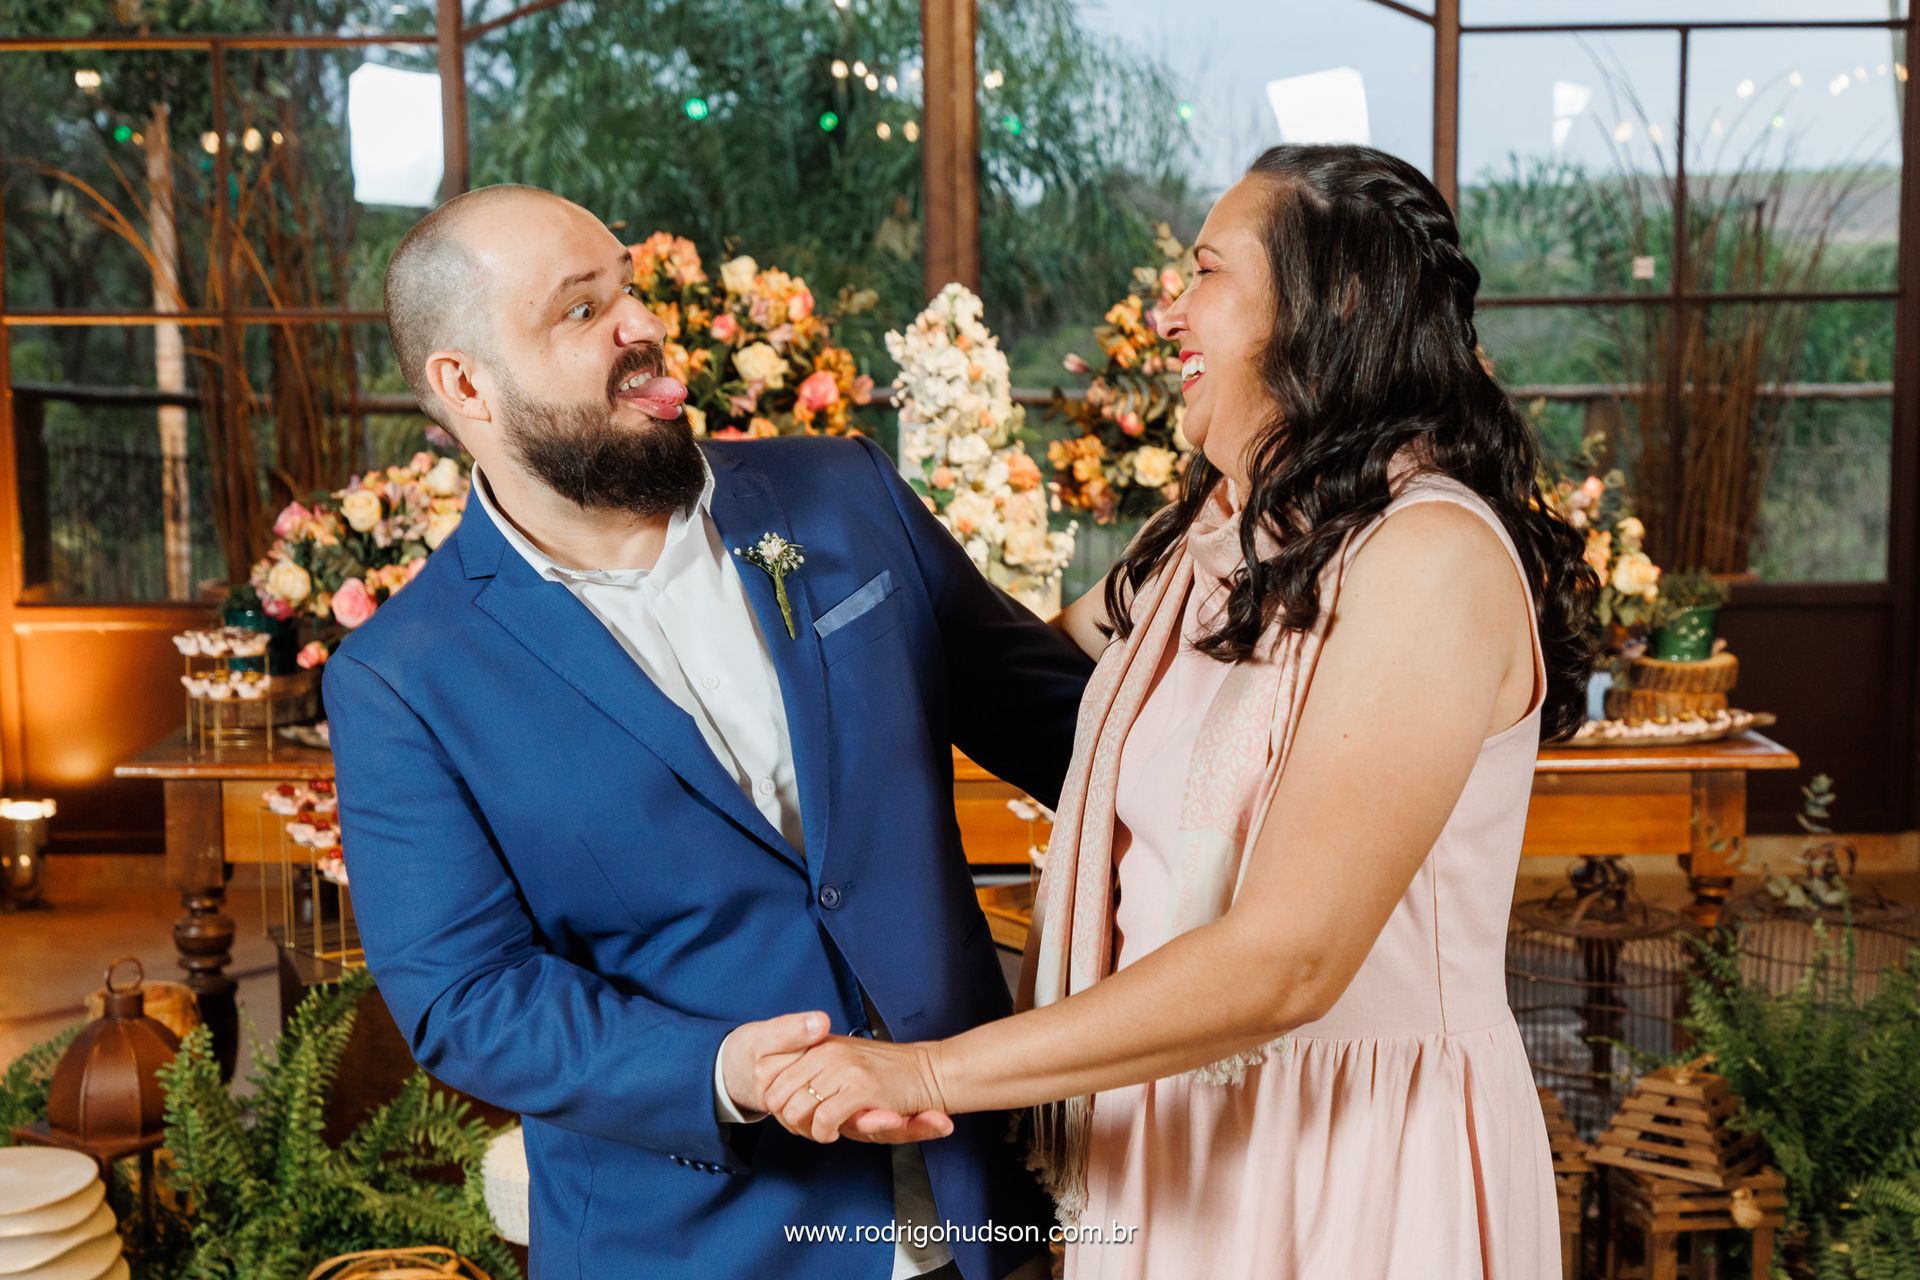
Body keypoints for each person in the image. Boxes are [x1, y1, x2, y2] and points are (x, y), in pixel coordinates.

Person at [746, 144, 1604, 1278]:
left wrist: (928, 1072)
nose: (1165, 311)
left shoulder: (1428, 557)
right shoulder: (1204, 551)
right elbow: (995, 668)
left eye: (1204, 271)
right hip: (1172, 1141)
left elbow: (1288, 959)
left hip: (1351, 1153)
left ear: (1331, 303)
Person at [324, 183, 1089, 1279]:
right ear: (465, 385)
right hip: (693, 1242)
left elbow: (1064, 724)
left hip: (988, 1206)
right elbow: (467, 993)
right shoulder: (401, 678)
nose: (640, 327)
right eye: (581, 311)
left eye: (627, 291)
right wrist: (728, 1067)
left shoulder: (844, 492)